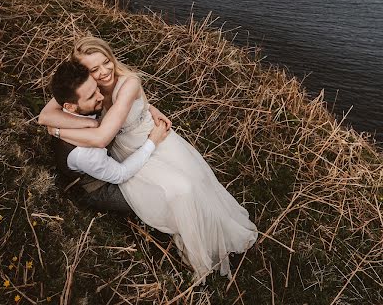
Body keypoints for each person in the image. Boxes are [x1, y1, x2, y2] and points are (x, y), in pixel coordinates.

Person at [39, 36, 258, 281]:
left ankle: (218, 235)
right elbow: (45, 115)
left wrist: (59, 130)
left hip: (154, 140)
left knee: (196, 184)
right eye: (93, 69)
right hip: (128, 152)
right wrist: (68, 124)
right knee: (178, 192)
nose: (103, 72)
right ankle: (195, 244)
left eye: (106, 62)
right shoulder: (86, 87)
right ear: (83, 73)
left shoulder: (128, 83)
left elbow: (100, 136)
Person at [47, 60, 170, 213]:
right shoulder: (83, 153)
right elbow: (121, 174)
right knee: (160, 200)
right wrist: (153, 141)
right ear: (70, 107)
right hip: (99, 186)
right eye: (92, 96)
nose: (100, 96)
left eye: (96, 89)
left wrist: (147, 108)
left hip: (111, 153)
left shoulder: (78, 105)